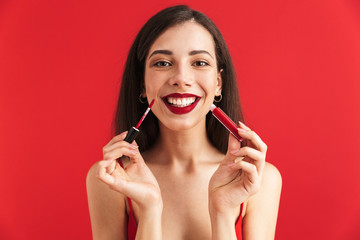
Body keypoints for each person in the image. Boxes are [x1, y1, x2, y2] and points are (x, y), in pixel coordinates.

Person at [86, 5, 282, 240]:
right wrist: (149, 210)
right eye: (162, 63)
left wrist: (222, 212)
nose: (181, 78)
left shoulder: (257, 178)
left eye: (199, 63)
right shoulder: (113, 178)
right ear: (141, 84)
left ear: (218, 83)